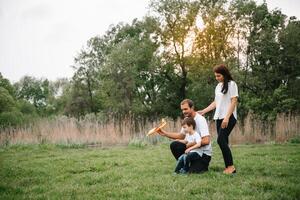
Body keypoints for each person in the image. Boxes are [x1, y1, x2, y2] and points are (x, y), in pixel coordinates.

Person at [198, 64, 238, 174]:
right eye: (215, 76)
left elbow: (234, 101)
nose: (217, 78)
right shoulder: (218, 87)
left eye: (219, 76)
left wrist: (227, 118)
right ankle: (228, 167)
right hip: (218, 117)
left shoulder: (232, 84)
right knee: (224, 141)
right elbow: (216, 103)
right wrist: (204, 111)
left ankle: (231, 167)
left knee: (220, 140)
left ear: (225, 74)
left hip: (229, 117)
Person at [157, 99, 212, 173]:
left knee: (193, 172)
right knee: (175, 145)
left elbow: (206, 140)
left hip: (203, 154)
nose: (184, 111)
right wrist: (165, 134)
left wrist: (191, 144)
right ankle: (185, 164)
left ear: (192, 108)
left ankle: (200, 166)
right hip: (191, 151)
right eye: (182, 110)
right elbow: (181, 136)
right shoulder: (186, 119)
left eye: (186, 109)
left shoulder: (200, 120)